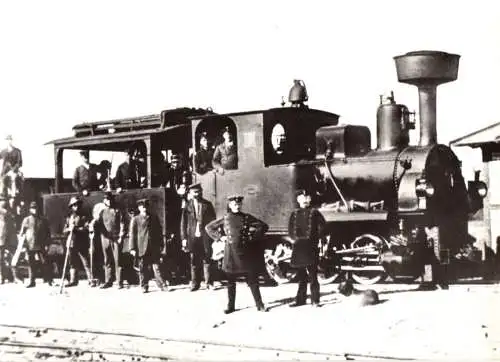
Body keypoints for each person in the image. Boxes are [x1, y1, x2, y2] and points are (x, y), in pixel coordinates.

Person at [205, 194, 269, 314]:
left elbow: (264, 226)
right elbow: (209, 227)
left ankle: (260, 305)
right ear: (230, 205)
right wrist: (220, 237)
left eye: (239, 204)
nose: (237, 206)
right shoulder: (225, 218)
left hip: (245, 253)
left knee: (252, 280)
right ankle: (231, 306)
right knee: (230, 282)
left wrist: (252, 237)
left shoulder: (246, 217)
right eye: (234, 204)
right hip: (231, 254)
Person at [287, 189, 325, 307]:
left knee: (313, 276)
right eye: (302, 198)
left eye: (307, 198)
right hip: (299, 247)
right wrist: (295, 239)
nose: (305, 200)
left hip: (311, 247)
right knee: (301, 277)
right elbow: (290, 229)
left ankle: (315, 300)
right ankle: (300, 300)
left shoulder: (315, 212)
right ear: (298, 200)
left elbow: (323, 227)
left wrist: (316, 239)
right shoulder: (294, 213)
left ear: (310, 200)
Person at [181, 183, 216, 291]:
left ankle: (209, 283)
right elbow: (183, 223)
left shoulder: (208, 205)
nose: (196, 194)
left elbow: (213, 222)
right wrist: (184, 238)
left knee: (207, 259)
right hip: (192, 237)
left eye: (198, 191)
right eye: (194, 192)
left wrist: (213, 236)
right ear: (190, 193)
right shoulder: (187, 206)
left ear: (201, 192)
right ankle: (195, 284)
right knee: (194, 261)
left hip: (205, 236)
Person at [129, 198, 167, 293]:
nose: (144, 208)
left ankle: (162, 285)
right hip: (142, 247)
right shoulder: (136, 219)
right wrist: (132, 248)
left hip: (153, 246)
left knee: (157, 267)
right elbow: (132, 234)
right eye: (142, 206)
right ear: (139, 208)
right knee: (143, 268)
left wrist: (161, 244)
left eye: (146, 206)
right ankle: (144, 286)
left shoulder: (154, 217)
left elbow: (159, 231)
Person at [13, 201, 52, 287]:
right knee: (31, 264)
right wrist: (22, 245)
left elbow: (48, 233)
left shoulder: (43, 220)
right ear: (30, 209)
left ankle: (49, 280)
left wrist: (47, 244)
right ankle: (32, 281)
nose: (35, 210)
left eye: (36, 208)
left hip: (41, 244)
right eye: (33, 208)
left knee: (45, 262)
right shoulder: (26, 220)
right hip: (30, 244)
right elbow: (22, 233)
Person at [93, 192, 126, 289]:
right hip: (105, 239)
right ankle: (108, 281)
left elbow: (122, 224)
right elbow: (98, 223)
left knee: (118, 260)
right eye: (107, 199)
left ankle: (119, 281)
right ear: (104, 201)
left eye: (110, 199)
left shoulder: (117, 211)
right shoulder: (102, 212)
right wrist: (93, 223)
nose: (109, 201)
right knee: (107, 260)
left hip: (116, 238)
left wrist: (121, 236)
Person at [63, 196, 92, 286]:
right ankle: (73, 280)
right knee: (72, 262)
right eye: (74, 205)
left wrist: (77, 229)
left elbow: (87, 228)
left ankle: (91, 279)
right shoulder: (69, 217)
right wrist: (68, 229)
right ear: (71, 207)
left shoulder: (84, 216)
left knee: (85, 261)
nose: (76, 207)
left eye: (77, 204)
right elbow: (64, 230)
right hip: (71, 242)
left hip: (81, 242)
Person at [0, 197, 16, 284]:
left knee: (5, 258)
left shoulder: (8, 214)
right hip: (4, 237)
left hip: (6, 237)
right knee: (5, 258)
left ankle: (7, 276)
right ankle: (9, 276)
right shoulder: (7, 213)